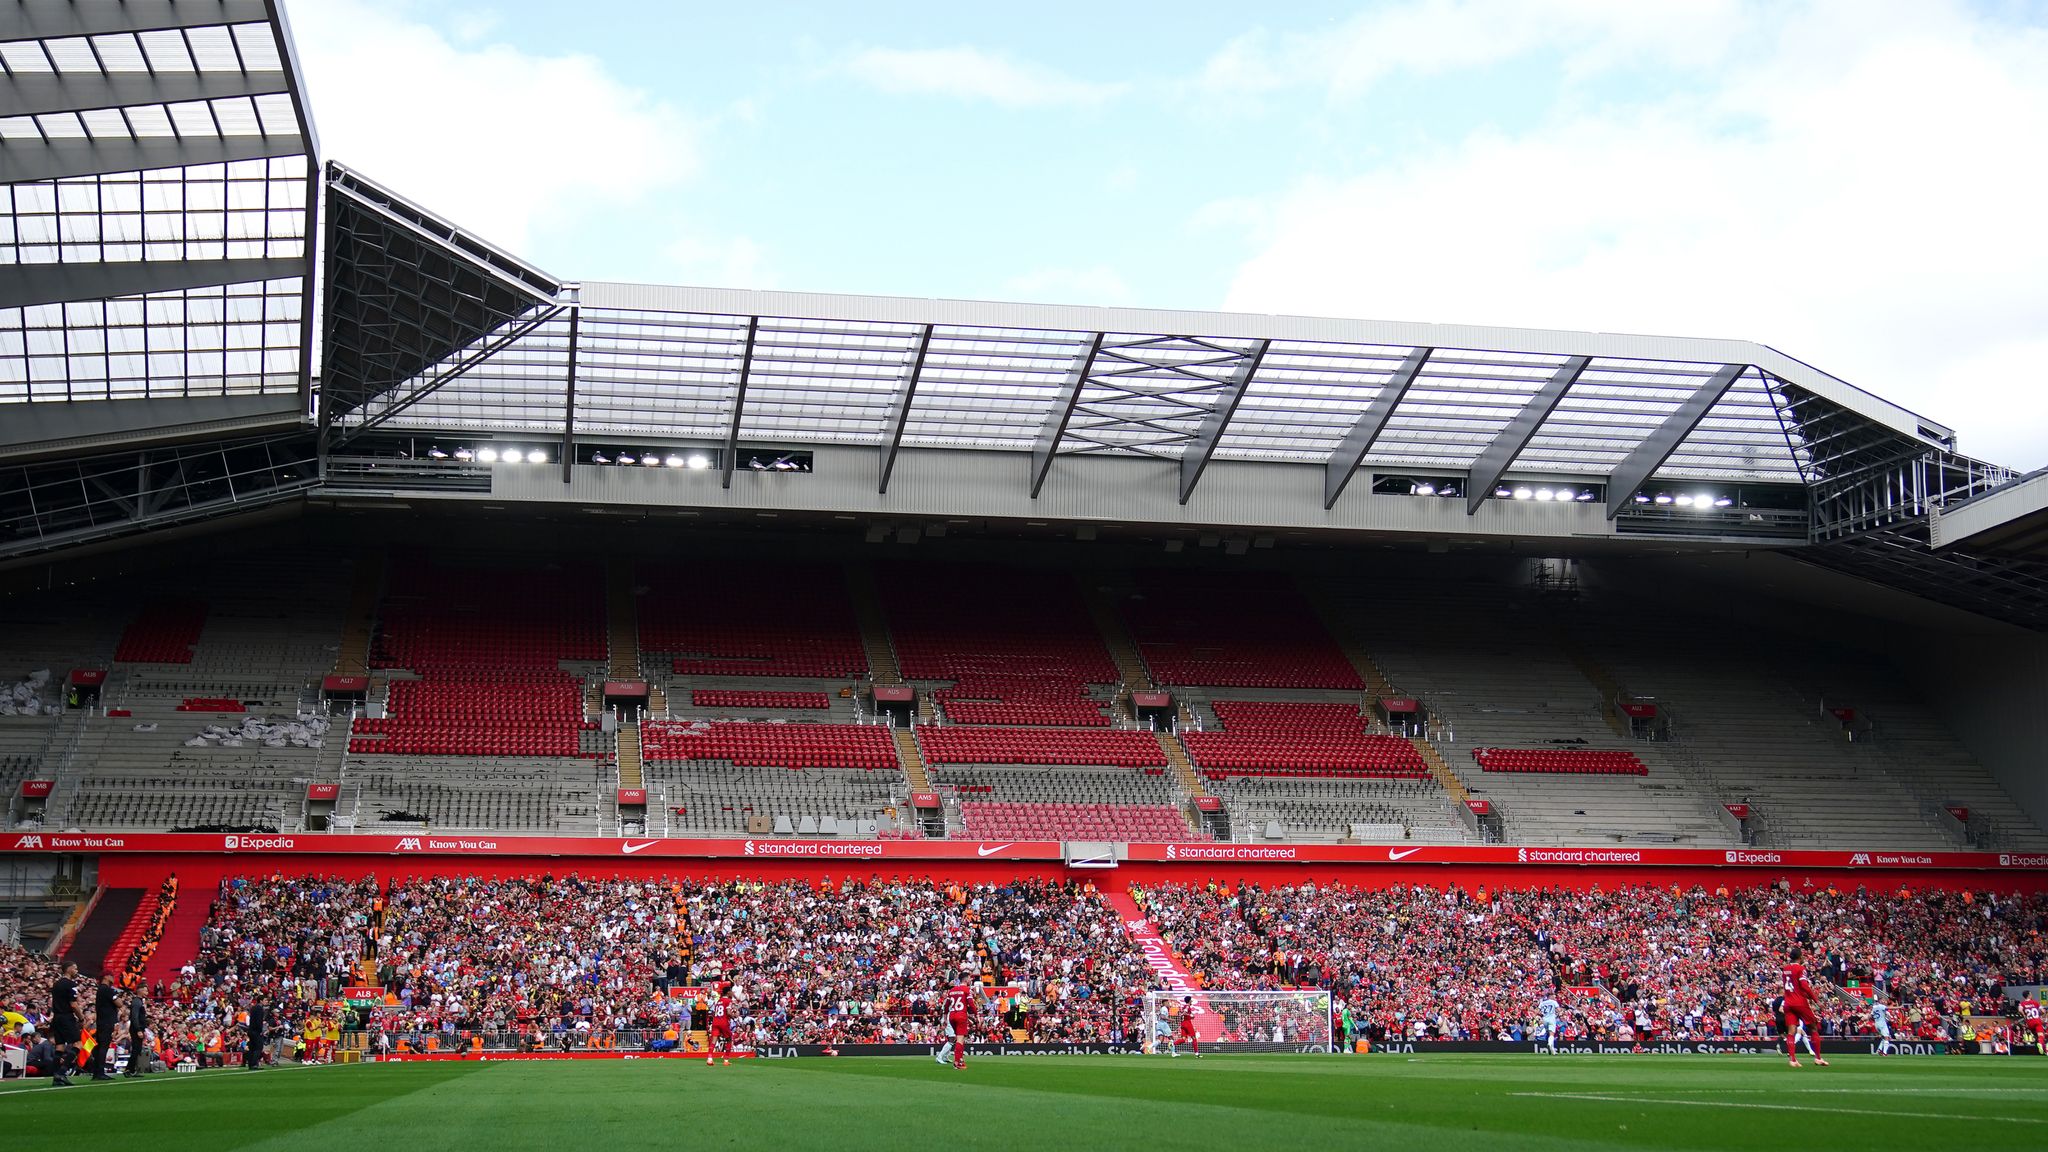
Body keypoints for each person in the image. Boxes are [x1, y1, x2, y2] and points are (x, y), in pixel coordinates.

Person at [1780, 951, 1828, 1068]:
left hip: (1788, 1002)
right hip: (1799, 1003)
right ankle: (1818, 1058)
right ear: (1800, 957)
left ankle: (1793, 1060)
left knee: (1791, 1031)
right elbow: (1804, 986)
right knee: (1813, 1027)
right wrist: (1816, 1000)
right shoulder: (1801, 969)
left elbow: (1793, 986)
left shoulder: (1785, 969)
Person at [934, 965, 980, 1071]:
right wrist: (976, 1014)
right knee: (960, 1039)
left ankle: (960, 1059)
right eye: (970, 978)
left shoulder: (952, 990)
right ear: (966, 979)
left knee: (959, 1038)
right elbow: (971, 1004)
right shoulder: (966, 990)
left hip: (951, 1016)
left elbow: (946, 1006)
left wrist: (945, 1018)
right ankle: (957, 1062)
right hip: (961, 1016)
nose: (971, 979)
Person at [49, 961, 80, 1087]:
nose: (77, 971)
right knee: (78, 1043)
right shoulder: (71, 984)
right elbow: (73, 1005)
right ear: (69, 969)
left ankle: (56, 1076)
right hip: (66, 1016)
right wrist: (81, 1017)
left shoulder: (56, 984)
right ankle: (62, 1072)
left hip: (56, 1017)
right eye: (75, 968)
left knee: (60, 1046)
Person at [90, 977, 118, 1080]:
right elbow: (119, 1003)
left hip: (101, 1021)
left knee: (99, 1046)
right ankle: (100, 1071)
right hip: (107, 1022)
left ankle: (96, 1072)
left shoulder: (100, 990)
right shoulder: (107, 990)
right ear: (107, 977)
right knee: (103, 1046)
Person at [705, 983, 735, 1066]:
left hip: (715, 1021)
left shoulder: (719, 1001)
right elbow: (728, 1012)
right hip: (723, 1022)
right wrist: (733, 1017)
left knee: (713, 1040)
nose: (732, 993)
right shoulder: (728, 1001)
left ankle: (709, 1059)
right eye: (731, 991)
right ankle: (726, 1060)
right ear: (728, 992)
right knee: (729, 1039)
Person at [125, 990, 150, 1076]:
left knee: (137, 1049)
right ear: (140, 990)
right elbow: (134, 1017)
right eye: (145, 990)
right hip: (136, 1029)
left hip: (138, 1028)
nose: (147, 992)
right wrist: (138, 1029)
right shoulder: (136, 1002)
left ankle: (131, 1069)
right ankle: (129, 1069)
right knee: (136, 1049)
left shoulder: (139, 1001)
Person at [246, 999, 269, 1070]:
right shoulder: (259, 1009)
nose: (266, 1002)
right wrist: (260, 1030)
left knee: (252, 1048)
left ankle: (250, 1064)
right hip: (256, 1031)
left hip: (251, 1030)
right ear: (261, 1001)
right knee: (258, 1047)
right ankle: (254, 1064)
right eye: (265, 1000)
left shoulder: (253, 1008)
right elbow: (258, 1021)